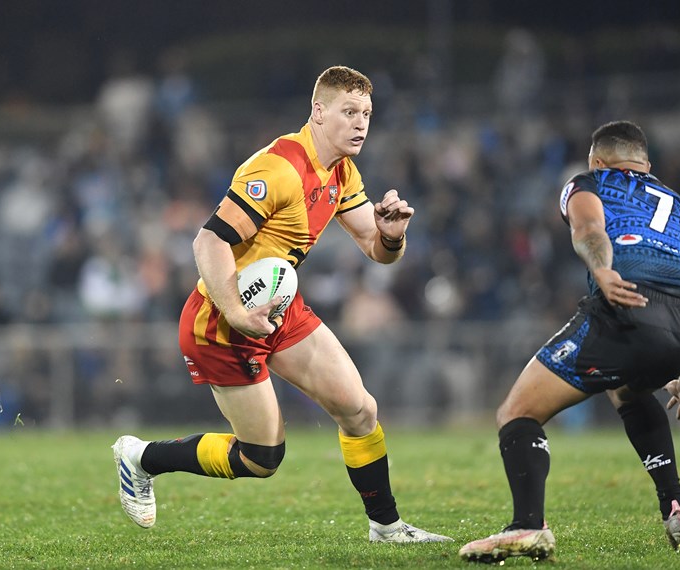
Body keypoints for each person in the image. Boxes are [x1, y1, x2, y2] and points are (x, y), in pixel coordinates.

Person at [112, 66, 452, 543]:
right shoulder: (277, 169)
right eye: (349, 112)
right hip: (222, 320)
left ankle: (387, 526)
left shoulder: (342, 171)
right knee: (261, 458)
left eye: (367, 114)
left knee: (359, 409)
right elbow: (208, 241)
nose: (361, 124)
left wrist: (392, 236)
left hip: (276, 307)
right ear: (318, 111)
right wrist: (234, 311)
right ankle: (140, 456)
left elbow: (376, 249)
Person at [459, 120, 680, 563]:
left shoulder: (589, 181)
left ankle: (528, 526)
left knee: (516, 412)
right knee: (627, 389)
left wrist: (601, 270)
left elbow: (589, 228)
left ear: (597, 160)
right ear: (647, 164)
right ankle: (675, 508)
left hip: (629, 307)